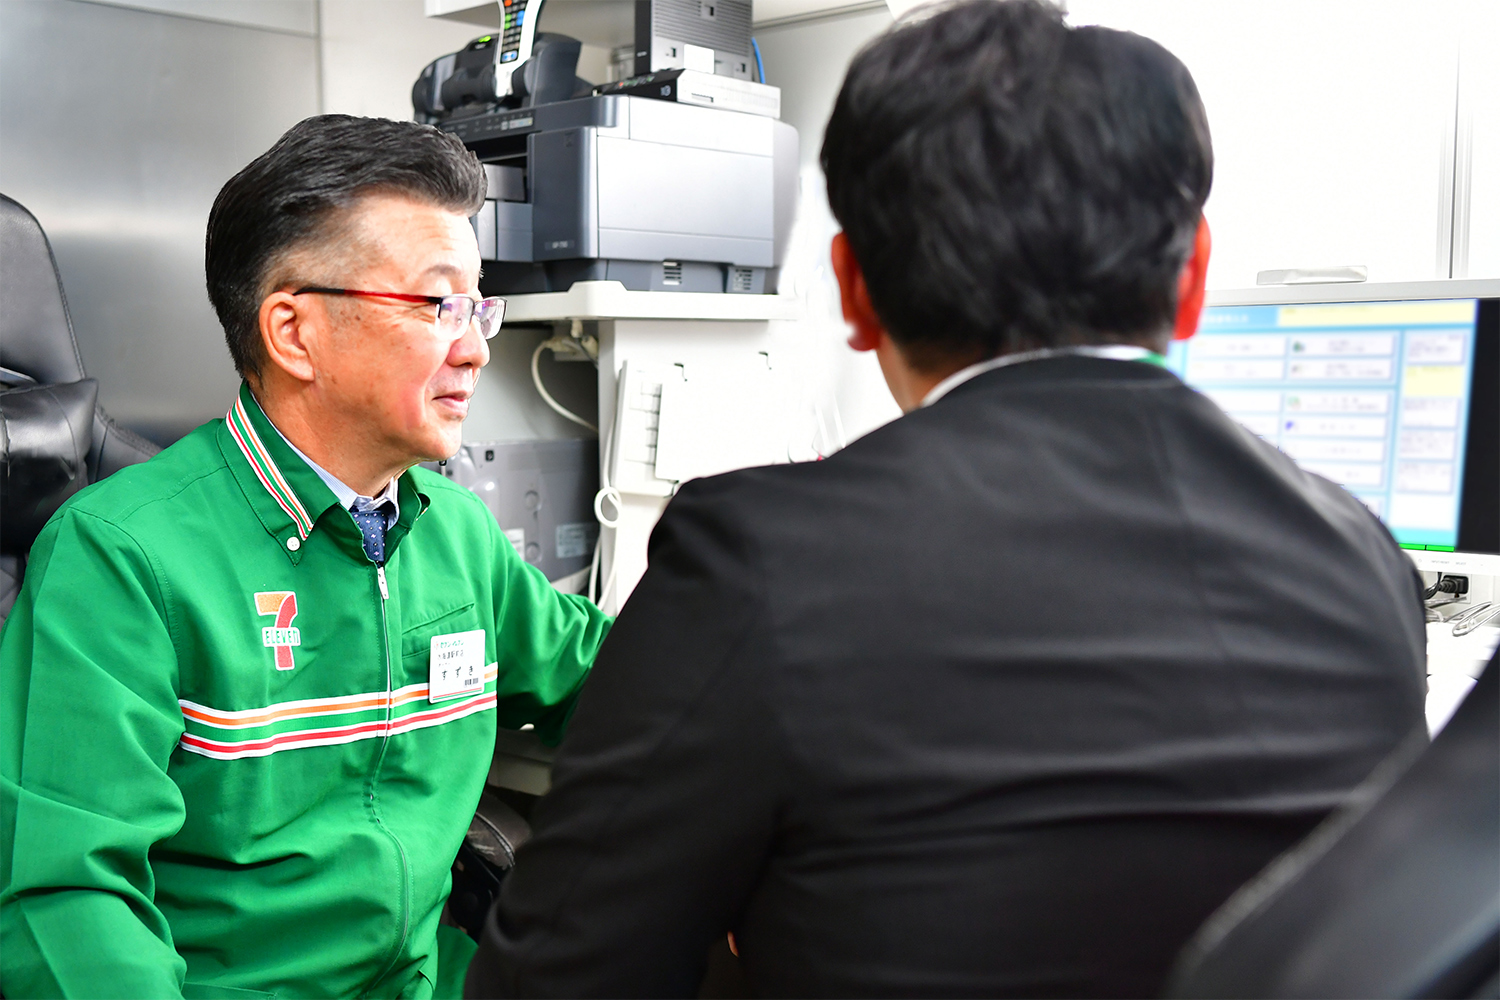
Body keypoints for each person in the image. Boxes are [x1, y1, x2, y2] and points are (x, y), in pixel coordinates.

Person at [464, 2, 1428, 997]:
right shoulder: (1359, 557)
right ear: (1194, 279)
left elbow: (557, 979)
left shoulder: (759, 560)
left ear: (853, 290)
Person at [0, 115, 611, 998]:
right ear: (294, 332)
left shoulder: (453, 529)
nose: (476, 347)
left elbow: (614, 679)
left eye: (479, 306)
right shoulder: (120, 557)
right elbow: (67, 902)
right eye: (438, 305)